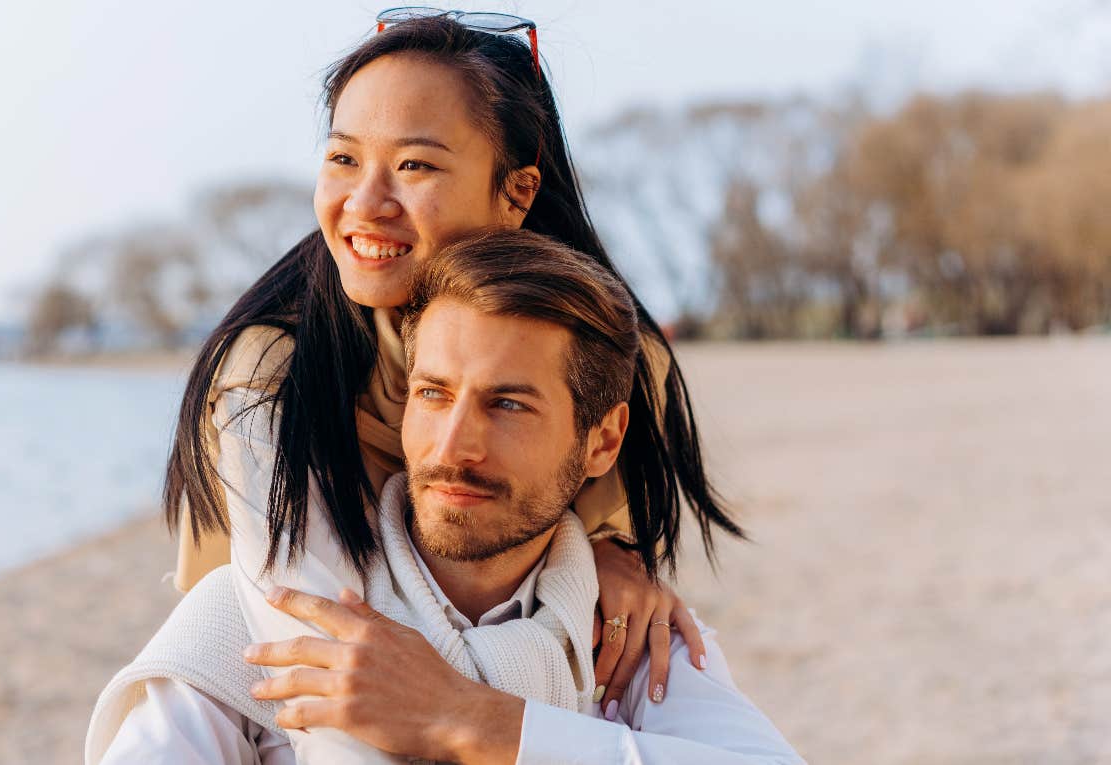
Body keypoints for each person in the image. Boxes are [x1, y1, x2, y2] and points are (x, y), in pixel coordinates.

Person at [160, 10, 744, 761]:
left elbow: (571, 587)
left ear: (517, 191)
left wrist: (606, 558)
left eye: (415, 166)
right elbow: (311, 654)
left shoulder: (611, 361)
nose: (365, 203)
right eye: (343, 159)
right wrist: (468, 702)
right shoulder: (269, 374)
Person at [88, 231, 801, 764]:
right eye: (433, 394)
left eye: (510, 404)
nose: (453, 442)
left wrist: (468, 717)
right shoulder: (258, 617)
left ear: (602, 441)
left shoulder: (627, 640)